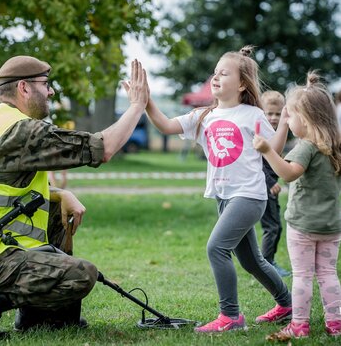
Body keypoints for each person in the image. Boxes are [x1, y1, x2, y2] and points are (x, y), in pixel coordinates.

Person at [0, 55, 149, 340]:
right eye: (45, 84)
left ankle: (41, 318)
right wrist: (137, 106)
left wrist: (60, 193)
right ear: (24, 88)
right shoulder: (21, 130)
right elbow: (101, 149)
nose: (51, 91)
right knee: (83, 275)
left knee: (55, 207)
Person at [143, 45, 292, 333]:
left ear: (241, 84)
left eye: (224, 73)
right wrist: (146, 100)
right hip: (223, 197)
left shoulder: (253, 115)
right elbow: (165, 125)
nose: (215, 77)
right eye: (215, 72)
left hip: (249, 195)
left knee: (216, 248)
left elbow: (274, 149)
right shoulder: (204, 116)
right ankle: (286, 305)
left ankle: (231, 316)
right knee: (251, 261)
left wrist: (283, 123)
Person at [254, 71, 341, 339]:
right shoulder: (335, 145)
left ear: (307, 118)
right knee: (328, 274)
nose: (287, 121)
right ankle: (336, 323)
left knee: (302, 276)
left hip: (303, 225)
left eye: (290, 115)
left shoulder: (307, 146)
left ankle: (300, 325)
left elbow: (289, 173)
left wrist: (268, 151)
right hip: (332, 225)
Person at [259, 91, 290, 277]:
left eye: (278, 114)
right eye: (269, 113)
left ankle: (265, 262)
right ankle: (267, 264)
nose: (273, 117)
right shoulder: (260, 135)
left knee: (275, 226)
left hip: (272, 187)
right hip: (264, 187)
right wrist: (270, 182)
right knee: (272, 227)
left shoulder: (277, 134)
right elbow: (256, 163)